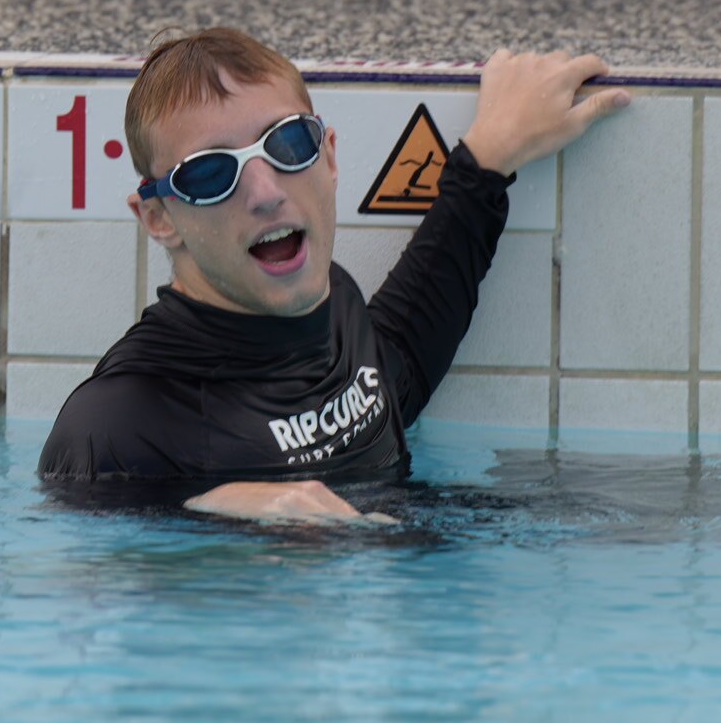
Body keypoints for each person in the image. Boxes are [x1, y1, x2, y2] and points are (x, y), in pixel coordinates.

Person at [37, 28, 629, 524]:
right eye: (211, 174)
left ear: (330, 157)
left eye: (289, 143)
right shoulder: (120, 421)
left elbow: (399, 356)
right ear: (160, 217)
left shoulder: (335, 309)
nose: (266, 193)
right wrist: (203, 513)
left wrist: (489, 157)